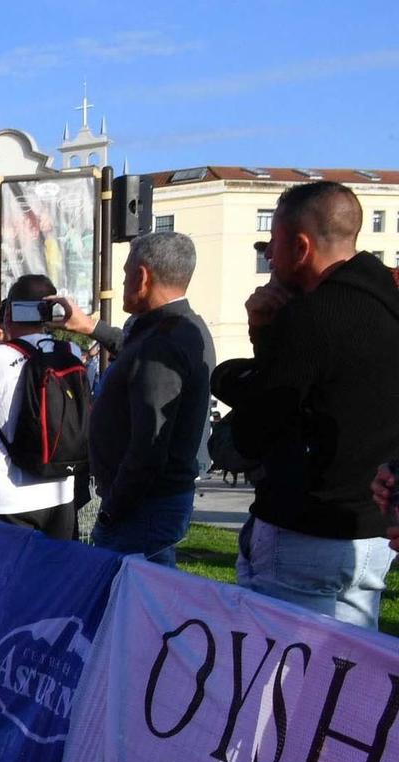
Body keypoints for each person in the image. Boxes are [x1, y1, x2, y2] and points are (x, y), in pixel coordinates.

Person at [219, 180, 399, 629]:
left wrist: (263, 335)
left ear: (300, 247)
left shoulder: (313, 318)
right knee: (347, 683)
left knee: (278, 685)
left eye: (272, 245)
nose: (269, 258)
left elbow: (254, 429)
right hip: (369, 534)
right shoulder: (387, 303)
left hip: (304, 536)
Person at [56, 232, 216, 565]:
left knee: (130, 603)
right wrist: (91, 327)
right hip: (149, 505)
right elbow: (132, 349)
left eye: (127, 273)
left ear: (142, 277)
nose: (124, 280)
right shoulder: (181, 327)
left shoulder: (164, 341)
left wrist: (112, 509)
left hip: (141, 511)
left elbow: (148, 447)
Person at [0, 279, 80, 538]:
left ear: (10, 312)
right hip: (59, 490)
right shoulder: (71, 350)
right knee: (53, 576)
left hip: (3, 494)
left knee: (1, 578)